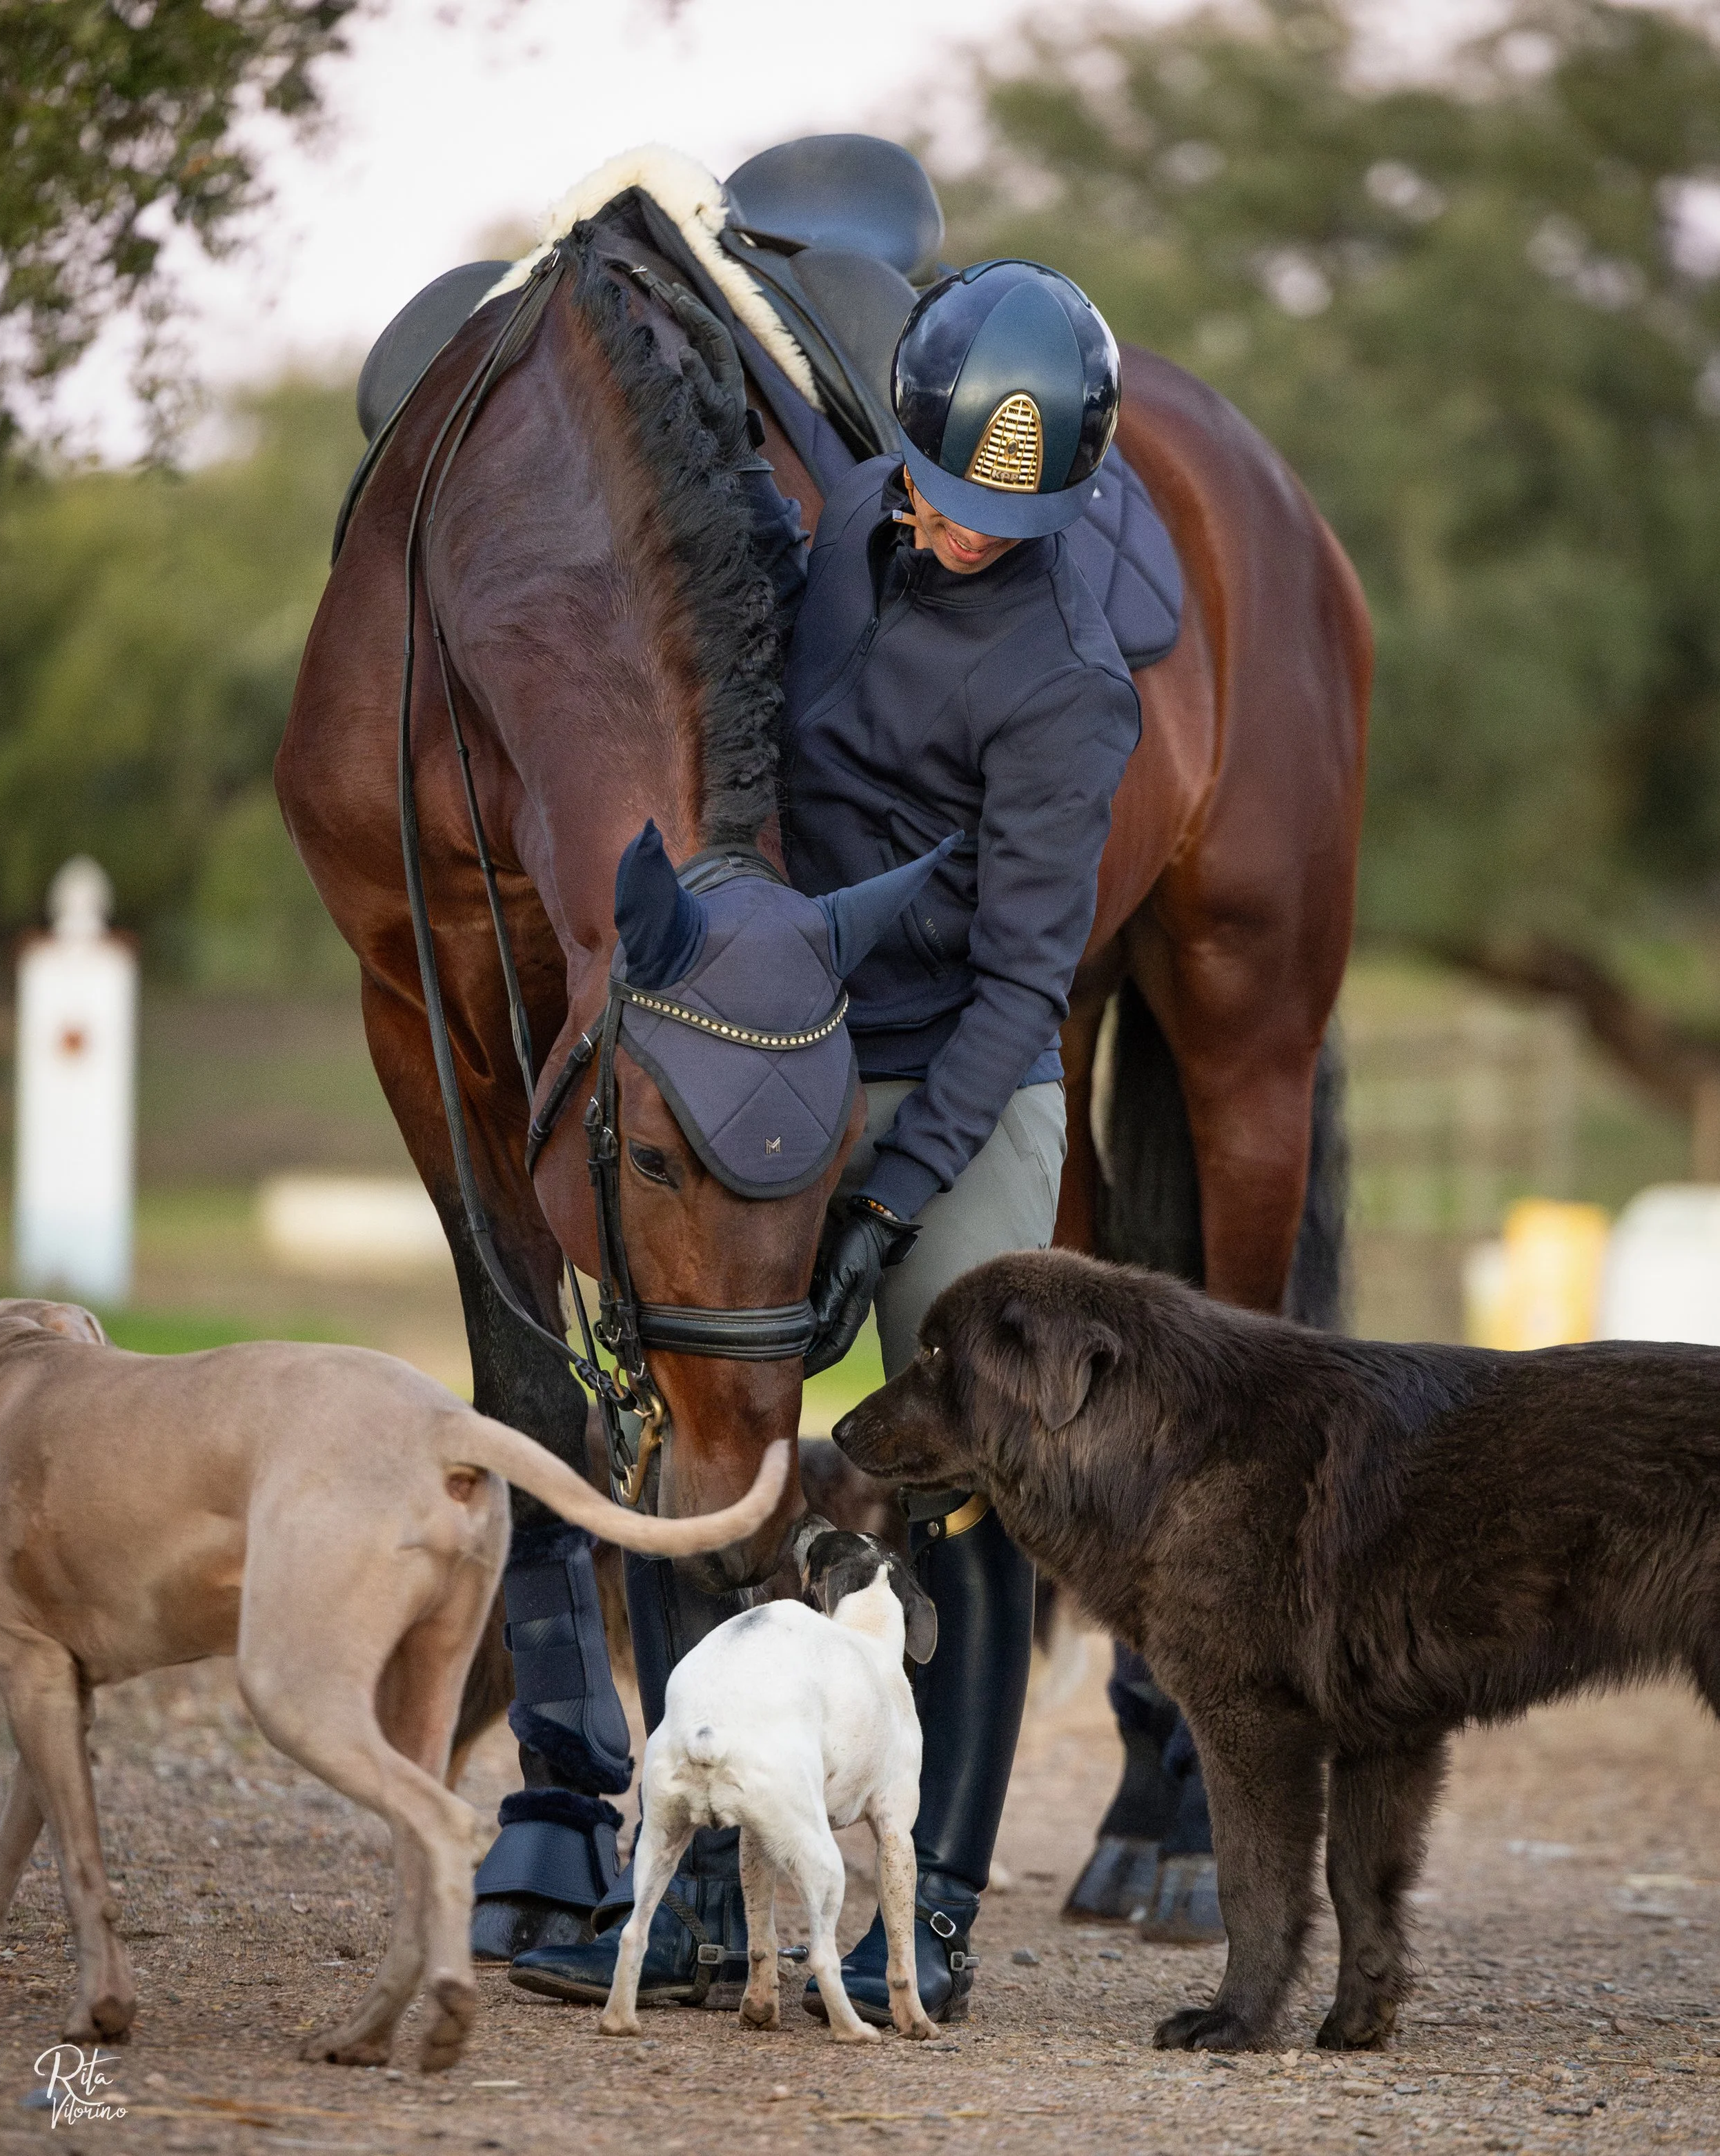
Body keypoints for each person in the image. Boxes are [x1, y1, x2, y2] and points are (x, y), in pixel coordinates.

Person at [504, 257, 1183, 2023]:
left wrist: (889, 1202)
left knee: (964, 1460)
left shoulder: (1067, 689)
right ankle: (714, 1878)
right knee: (688, 1437)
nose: (960, 536)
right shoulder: (838, 518)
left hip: (958, 1079)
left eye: (1000, 521)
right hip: (774, 1043)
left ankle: (932, 1896)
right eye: (945, 501)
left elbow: (1023, 981)